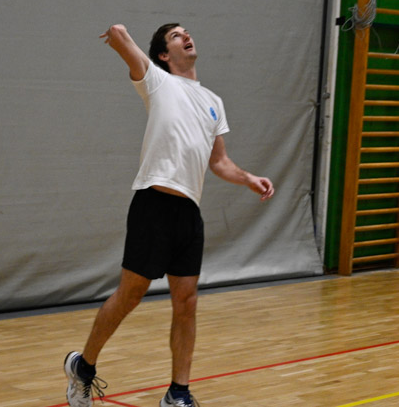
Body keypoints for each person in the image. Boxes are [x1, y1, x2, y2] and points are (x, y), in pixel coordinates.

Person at [64, 22, 275, 407]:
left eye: (187, 32)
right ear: (163, 54)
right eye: (176, 35)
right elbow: (121, 38)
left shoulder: (213, 100)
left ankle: (178, 393)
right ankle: (84, 367)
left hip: (188, 213)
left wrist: (249, 179)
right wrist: (117, 33)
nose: (186, 36)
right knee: (130, 295)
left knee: (187, 301)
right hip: (154, 206)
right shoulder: (157, 82)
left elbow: (219, 161)